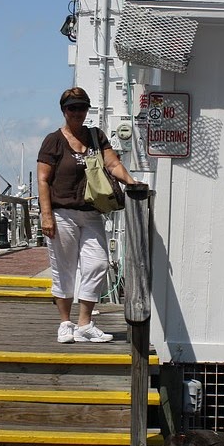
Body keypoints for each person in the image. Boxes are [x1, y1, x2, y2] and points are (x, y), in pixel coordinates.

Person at [37, 87, 138, 343]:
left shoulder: (95, 137)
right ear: (64, 110)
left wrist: (132, 182)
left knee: (98, 263)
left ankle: (84, 323)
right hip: (62, 213)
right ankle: (65, 323)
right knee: (64, 269)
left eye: (82, 107)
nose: (78, 112)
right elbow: (42, 179)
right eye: (72, 108)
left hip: (91, 212)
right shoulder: (54, 140)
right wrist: (46, 215)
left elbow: (112, 164)